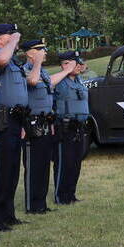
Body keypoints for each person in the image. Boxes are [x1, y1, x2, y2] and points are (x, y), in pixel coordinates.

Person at [0, 23, 27, 231]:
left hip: (15, 120)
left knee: (12, 170)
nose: (16, 40)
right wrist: (12, 42)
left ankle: (8, 214)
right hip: (1, 120)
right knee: (1, 170)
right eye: (11, 36)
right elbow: (0, 61)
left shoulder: (15, 62)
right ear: (1, 39)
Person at [22, 39, 56, 214]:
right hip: (31, 124)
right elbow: (32, 82)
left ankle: (41, 203)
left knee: (44, 165)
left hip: (45, 122)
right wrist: (36, 63)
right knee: (33, 166)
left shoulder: (44, 72)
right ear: (30, 53)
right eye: (40, 50)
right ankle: (32, 205)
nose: (45, 53)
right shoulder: (26, 70)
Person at [51, 51, 90, 204]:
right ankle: (61, 196)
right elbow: (49, 85)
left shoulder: (79, 81)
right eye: (75, 62)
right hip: (65, 127)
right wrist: (66, 70)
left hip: (79, 127)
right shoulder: (60, 81)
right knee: (64, 163)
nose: (78, 65)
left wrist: (80, 68)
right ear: (65, 64)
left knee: (75, 162)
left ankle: (71, 194)